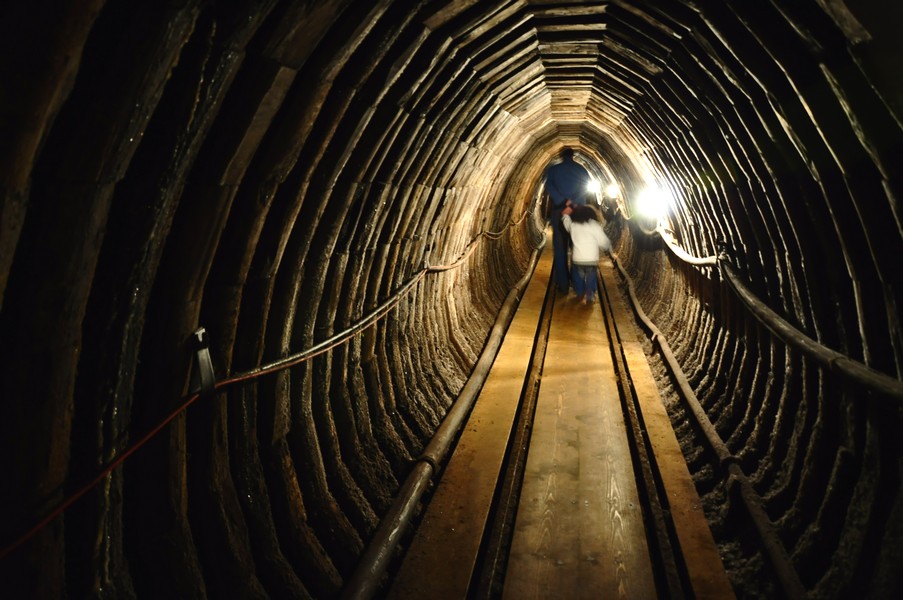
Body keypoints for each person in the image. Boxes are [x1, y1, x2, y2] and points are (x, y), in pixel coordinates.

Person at [543, 147, 591, 293]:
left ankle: (563, 285)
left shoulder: (553, 170)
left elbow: (549, 186)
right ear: (573, 156)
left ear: (561, 156)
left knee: (560, 249)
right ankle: (578, 286)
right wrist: (573, 203)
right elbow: (585, 188)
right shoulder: (582, 170)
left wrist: (563, 202)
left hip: (559, 212)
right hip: (578, 213)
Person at [561, 204, 611, 304]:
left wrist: (565, 215)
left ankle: (579, 292)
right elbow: (603, 241)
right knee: (591, 278)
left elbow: (567, 224)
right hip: (591, 260)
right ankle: (590, 295)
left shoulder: (574, 226)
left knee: (577, 277)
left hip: (577, 259)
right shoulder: (595, 226)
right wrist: (608, 247)